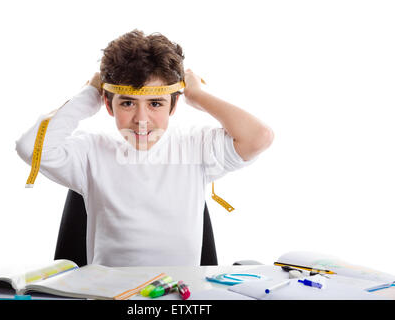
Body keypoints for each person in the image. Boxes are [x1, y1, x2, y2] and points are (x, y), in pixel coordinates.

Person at [16, 29, 274, 267]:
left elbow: (259, 136)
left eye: (155, 104)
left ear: (174, 106)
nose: (141, 120)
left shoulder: (196, 148)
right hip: (110, 294)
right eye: (127, 104)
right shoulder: (90, 153)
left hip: (178, 294)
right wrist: (89, 93)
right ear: (108, 105)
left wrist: (199, 96)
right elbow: (30, 147)